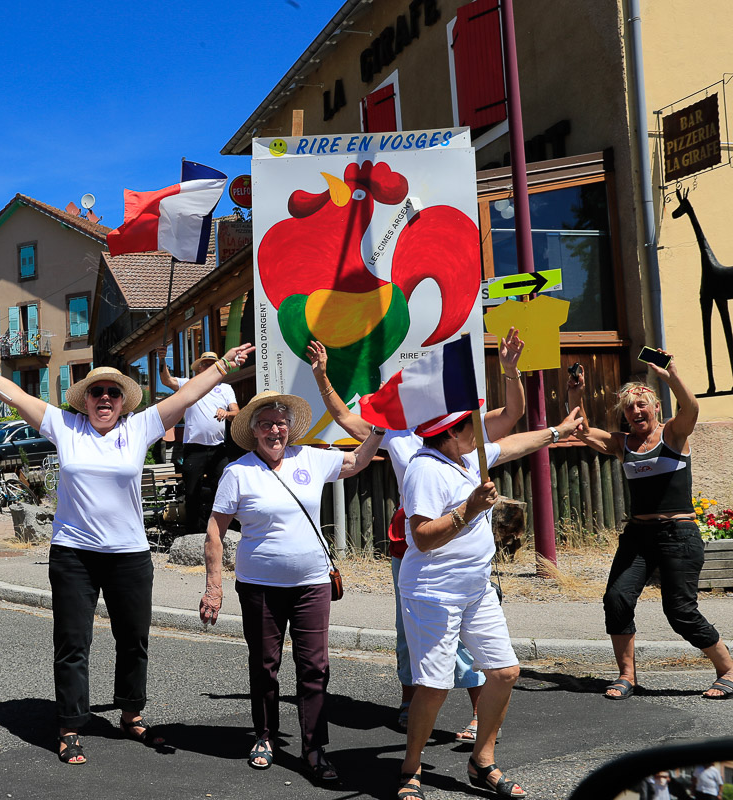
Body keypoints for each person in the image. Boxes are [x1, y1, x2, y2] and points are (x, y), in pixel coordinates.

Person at [0, 344, 254, 766]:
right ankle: (71, 725)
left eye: (113, 392)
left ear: (122, 400)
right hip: (74, 554)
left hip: (129, 555)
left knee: (133, 639)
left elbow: (186, 396)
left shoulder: (140, 427)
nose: (105, 398)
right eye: (97, 393)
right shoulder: (65, 426)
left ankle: (131, 713)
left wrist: (223, 366)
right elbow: (15, 396)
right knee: (73, 642)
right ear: (86, 400)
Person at [308, 327, 527, 740]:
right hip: (415, 540)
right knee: (410, 631)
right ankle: (413, 700)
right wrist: (322, 376)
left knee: (468, 633)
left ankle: (479, 712)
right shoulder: (394, 432)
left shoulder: (461, 429)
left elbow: (511, 417)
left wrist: (510, 371)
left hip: (463, 542)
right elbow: (343, 417)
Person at [397, 406, 583, 800]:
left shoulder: (464, 457)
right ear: (449, 434)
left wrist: (557, 431)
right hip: (434, 592)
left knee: (505, 672)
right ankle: (410, 769)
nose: (480, 437)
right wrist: (470, 509)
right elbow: (423, 538)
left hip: (476, 588)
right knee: (433, 686)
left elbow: (512, 445)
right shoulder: (425, 470)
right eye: (472, 430)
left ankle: (481, 762)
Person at [200, 391, 382, 780]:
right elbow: (214, 532)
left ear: (290, 428)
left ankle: (314, 748)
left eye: (280, 422)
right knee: (265, 665)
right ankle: (263, 736)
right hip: (259, 586)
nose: (275, 429)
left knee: (314, 666)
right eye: (266, 423)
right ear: (253, 432)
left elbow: (358, 460)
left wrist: (381, 428)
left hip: (311, 583)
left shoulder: (311, 458)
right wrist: (213, 589)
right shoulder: (238, 472)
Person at [567, 354, 733, 700]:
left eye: (642, 405)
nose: (636, 412)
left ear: (655, 407)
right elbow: (579, 429)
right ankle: (627, 675)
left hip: (679, 535)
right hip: (639, 536)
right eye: (630, 408)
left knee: (680, 611)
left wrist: (672, 375)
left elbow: (692, 409)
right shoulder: (622, 443)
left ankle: (727, 669)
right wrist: (575, 394)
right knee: (616, 598)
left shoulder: (673, 434)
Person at [157, 349, 240, 532]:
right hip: (194, 448)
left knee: (223, 489)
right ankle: (193, 533)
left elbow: (237, 412)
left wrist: (227, 413)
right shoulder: (189, 384)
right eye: (205, 364)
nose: (209, 366)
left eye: (212, 363)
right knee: (192, 491)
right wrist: (162, 359)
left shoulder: (225, 388)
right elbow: (167, 381)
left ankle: (223, 529)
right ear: (199, 368)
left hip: (218, 448)